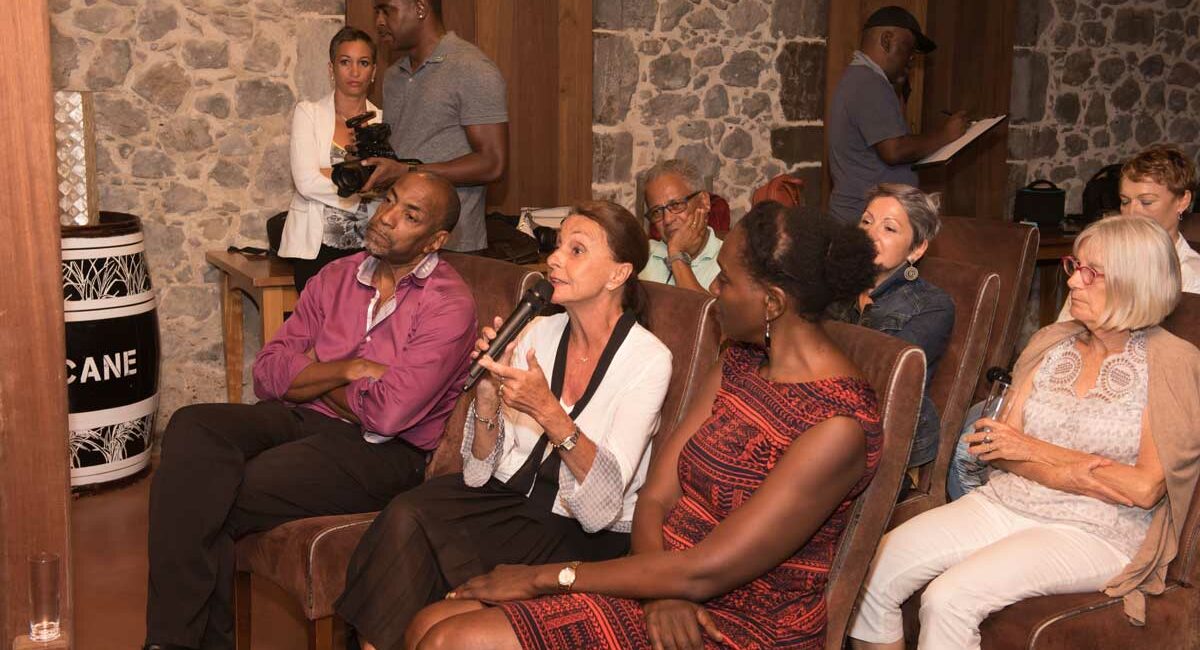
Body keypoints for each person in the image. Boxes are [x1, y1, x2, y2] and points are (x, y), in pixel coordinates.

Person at [403, 204, 883, 650]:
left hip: (738, 620)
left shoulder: (836, 426)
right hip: (662, 581)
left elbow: (707, 570)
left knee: (453, 641)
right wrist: (661, 591)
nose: (713, 290)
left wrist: (541, 577)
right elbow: (654, 497)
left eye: (726, 280)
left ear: (773, 302)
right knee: (428, 624)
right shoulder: (740, 362)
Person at [143, 172, 476, 650]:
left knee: (210, 492)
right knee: (193, 426)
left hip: (386, 453)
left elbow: (388, 414)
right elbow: (268, 372)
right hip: (307, 417)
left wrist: (316, 372)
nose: (386, 217)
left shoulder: (448, 305)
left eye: (410, 215)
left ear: (435, 241)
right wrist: (350, 369)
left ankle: (173, 642)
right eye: (389, 200)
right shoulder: (337, 277)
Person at [848, 215, 1200, 650]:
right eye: (1075, 266)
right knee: (874, 570)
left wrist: (1034, 450)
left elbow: (1143, 488)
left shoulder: (1172, 362)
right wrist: (1072, 472)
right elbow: (996, 447)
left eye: (1091, 273)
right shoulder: (1051, 341)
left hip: (1097, 529)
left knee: (949, 598)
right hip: (1006, 501)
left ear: (1135, 283)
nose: (1073, 282)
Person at [335, 200, 673, 649]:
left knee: (432, 618)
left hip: (579, 532)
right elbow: (479, 472)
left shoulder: (648, 360)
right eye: (557, 245)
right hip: (510, 501)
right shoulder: (538, 331)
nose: (555, 259)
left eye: (576, 250)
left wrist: (548, 412)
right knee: (407, 513)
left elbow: (601, 510)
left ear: (618, 274)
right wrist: (488, 395)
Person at [363, 0, 508, 253]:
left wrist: (407, 171)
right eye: (376, 12)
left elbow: (492, 163)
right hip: (399, 245)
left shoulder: (472, 68)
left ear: (420, 9)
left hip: (454, 246)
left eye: (387, 10)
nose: (379, 22)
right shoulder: (394, 75)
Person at [828, 183, 954, 469]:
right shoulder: (837, 287)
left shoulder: (933, 305)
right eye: (866, 222)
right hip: (829, 422)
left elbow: (882, 377)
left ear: (917, 249)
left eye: (889, 228)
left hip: (890, 441)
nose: (870, 234)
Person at [827, 5, 966, 224]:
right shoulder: (869, 83)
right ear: (887, 40)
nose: (911, 59)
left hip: (864, 217)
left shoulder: (862, 78)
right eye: (909, 49)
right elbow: (894, 151)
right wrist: (946, 135)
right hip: (865, 222)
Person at [280, 27, 384, 292]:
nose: (354, 71)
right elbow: (306, 182)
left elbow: (389, 185)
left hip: (371, 249)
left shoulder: (383, 121)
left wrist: (330, 172)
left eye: (363, 63)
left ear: (373, 71)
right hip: (317, 250)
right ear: (331, 68)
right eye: (345, 62)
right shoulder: (309, 113)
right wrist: (365, 188)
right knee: (317, 318)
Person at [1056, 145, 1200, 321]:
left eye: (1146, 202)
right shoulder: (1100, 259)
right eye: (1125, 201)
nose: (1132, 212)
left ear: (1183, 201)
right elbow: (1064, 326)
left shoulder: (1192, 278)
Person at [637, 159, 723, 294]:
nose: (667, 220)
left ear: (704, 201)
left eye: (676, 205)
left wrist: (677, 254)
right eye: (657, 212)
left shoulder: (729, 262)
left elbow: (707, 308)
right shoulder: (643, 255)